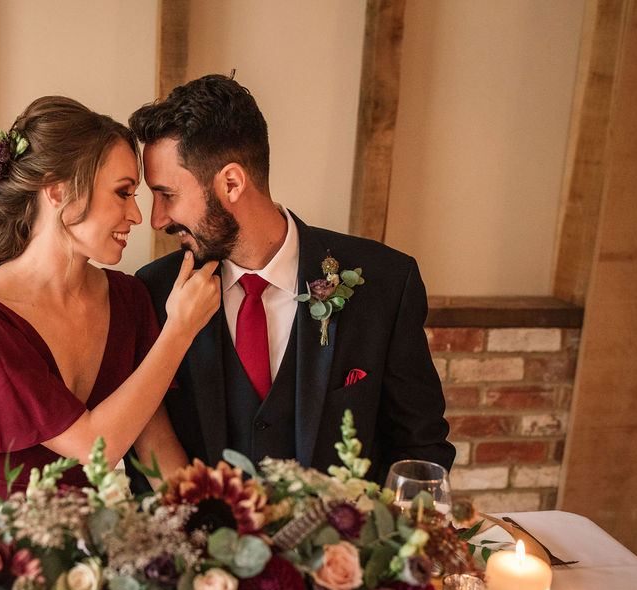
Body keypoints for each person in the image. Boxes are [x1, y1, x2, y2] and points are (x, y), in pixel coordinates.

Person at [0, 96, 220, 523]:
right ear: (58, 191)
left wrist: (224, 542)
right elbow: (93, 449)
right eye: (123, 192)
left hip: (70, 551)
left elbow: (157, 451)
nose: (138, 215)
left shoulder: (129, 300)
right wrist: (179, 331)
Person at [129, 74, 453, 485]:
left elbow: (420, 448)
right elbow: (146, 468)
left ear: (231, 183)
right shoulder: (153, 293)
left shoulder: (386, 281)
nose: (157, 219)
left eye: (167, 195)